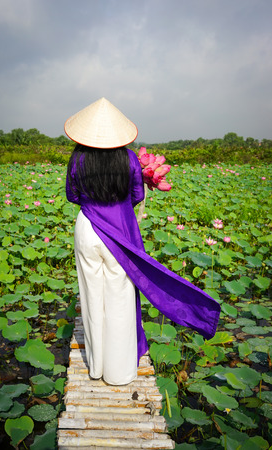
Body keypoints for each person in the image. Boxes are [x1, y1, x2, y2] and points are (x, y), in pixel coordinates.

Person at [65, 97, 220, 386]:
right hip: (120, 231)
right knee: (119, 298)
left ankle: (96, 367)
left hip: (87, 229)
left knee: (91, 297)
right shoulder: (129, 159)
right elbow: (136, 195)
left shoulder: (77, 159)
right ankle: (119, 373)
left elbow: (72, 196)